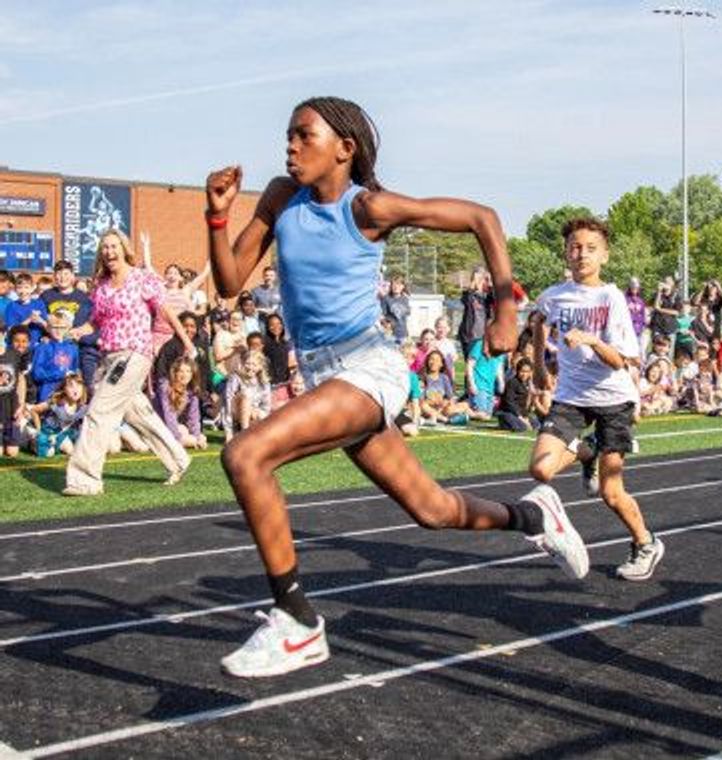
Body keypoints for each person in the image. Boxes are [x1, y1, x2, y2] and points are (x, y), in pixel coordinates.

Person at [204, 96, 588, 679]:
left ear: (345, 148)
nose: (289, 145)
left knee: (246, 454)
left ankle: (297, 621)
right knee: (432, 510)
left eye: (303, 135)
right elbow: (231, 283)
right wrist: (217, 216)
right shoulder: (282, 198)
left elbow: (482, 216)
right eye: (287, 135)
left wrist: (507, 311)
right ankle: (535, 518)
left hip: (368, 368)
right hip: (323, 374)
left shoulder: (369, 208)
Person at [526, 217, 662, 581]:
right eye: (574, 246)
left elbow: (623, 360)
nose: (580, 253)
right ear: (565, 252)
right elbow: (537, 321)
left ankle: (646, 543)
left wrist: (590, 339)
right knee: (540, 470)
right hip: (571, 395)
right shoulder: (553, 295)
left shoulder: (612, 298)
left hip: (614, 400)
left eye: (590, 248)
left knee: (611, 492)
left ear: (604, 255)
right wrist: (539, 367)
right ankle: (587, 452)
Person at [62, 229, 194, 496]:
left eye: (114, 246)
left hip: (134, 354)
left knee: (99, 411)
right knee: (138, 413)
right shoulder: (100, 287)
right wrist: (79, 331)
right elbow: (95, 322)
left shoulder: (141, 278)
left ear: (124, 249)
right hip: (108, 357)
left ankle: (85, 479)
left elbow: (165, 311)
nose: (109, 251)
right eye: (105, 247)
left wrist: (187, 341)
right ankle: (178, 458)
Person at [41, 261, 100, 388]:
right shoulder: (46, 296)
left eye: (66, 273)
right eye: (59, 273)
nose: (62, 277)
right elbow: (42, 319)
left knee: (82, 381)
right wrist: (44, 335)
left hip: (76, 345)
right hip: (54, 346)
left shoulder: (83, 298)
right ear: (54, 276)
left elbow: (87, 324)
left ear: (73, 276)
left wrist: (78, 334)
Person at [155, 356, 208, 450]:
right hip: (156, 424)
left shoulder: (192, 391)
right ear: (174, 373)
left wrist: (197, 436)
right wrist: (177, 438)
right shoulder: (165, 387)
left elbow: (193, 418)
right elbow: (169, 417)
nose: (185, 375)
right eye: (181, 371)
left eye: (188, 371)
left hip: (169, 427)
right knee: (140, 447)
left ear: (193, 374)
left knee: (188, 432)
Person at [29, 372, 87, 458]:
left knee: (71, 451)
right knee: (49, 453)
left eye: (79, 385)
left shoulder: (82, 407)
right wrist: (39, 430)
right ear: (64, 389)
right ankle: (32, 439)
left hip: (61, 434)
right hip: (47, 433)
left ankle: (55, 444)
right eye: (71, 386)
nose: (75, 389)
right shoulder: (56, 403)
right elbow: (34, 410)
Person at [28, 310, 80, 402]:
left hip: (67, 394)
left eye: (62, 327)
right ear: (48, 328)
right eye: (55, 327)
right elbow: (37, 374)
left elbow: (75, 371)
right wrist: (60, 374)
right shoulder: (42, 347)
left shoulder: (73, 348)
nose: (58, 331)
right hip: (48, 393)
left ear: (67, 328)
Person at [222, 348, 273, 440]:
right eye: (248, 363)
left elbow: (266, 407)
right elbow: (227, 403)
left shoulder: (265, 383)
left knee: (259, 413)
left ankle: (252, 433)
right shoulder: (236, 378)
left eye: (254, 365)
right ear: (243, 363)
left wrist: (258, 415)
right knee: (246, 396)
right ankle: (244, 434)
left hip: (253, 414)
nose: (250, 367)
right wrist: (228, 431)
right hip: (236, 411)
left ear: (260, 367)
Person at [0, 326, 30, 457]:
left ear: (3, 333)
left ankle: (28, 434)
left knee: (12, 452)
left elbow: (21, 380)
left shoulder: (14, 354)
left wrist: (21, 404)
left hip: (11, 404)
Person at [464, 336, 505, 420]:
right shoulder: (480, 345)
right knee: (482, 415)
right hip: (479, 385)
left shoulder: (500, 348)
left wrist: (501, 382)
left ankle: (464, 406)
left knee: (488, 416)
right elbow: (470, 365)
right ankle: (462, 410)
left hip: (490, 387)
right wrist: (472, 384)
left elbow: (499, 367)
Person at [261, 312, 296, 406]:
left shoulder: (284, 342)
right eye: (272, 324)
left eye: (279, 323)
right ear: (267, 327)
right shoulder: (265, 343)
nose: (276, 326)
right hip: (274, 386)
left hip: (287, 382)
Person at [5, 273, 48, 347]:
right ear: (15, 289)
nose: (23, 291)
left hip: (36, 344)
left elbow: (48, 326)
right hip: (18, 345)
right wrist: (29, 320)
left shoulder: (39, 304)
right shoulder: (11, 306)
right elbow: (12, 330)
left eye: (26, 287)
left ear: (32, 288)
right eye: (19, 288)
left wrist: (40, 320)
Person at [456, 269, 490, 360]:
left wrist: (488, 281)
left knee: (482, 363)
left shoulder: (487, 297)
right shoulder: (470, 296)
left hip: (484, 338)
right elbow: (465, 299)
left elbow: (495, 296)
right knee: (470, 363)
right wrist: (474, 283)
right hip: (470, 336)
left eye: (482, 279)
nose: (480, 282)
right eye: (477, 279)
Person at [650, 275, 683, 347]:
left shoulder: (676, 296)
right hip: (658, 326)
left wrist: (661, 310)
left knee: (669, 351)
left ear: (672, 284)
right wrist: (659, 292)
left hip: (670, 328)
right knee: (657, 348)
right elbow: (655, 306)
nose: (666, 283)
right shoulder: (657, 294)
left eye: (669, 282)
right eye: (665, 282)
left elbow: (677, 312)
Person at [379, 275, 411, 344]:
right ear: (391, 286)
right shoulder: (386, 298)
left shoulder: (405, 299)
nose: (396, 287)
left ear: (403, 286)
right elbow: (381, 316)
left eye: (399, 284)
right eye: (394, 284)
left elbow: (407, 314)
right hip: (391, 335)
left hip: (403, 334)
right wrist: (385, 323)